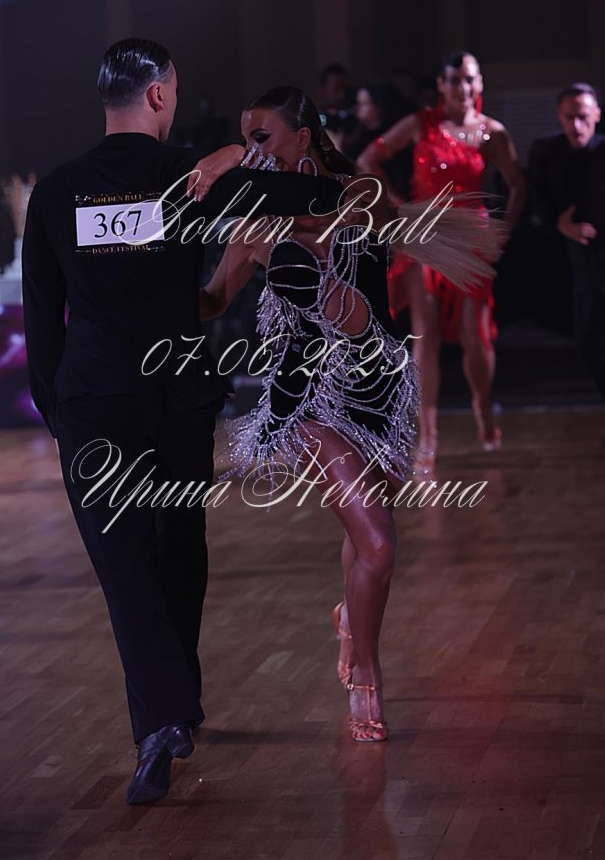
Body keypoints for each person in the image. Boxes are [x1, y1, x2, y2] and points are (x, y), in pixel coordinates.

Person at [21, 39, 347, 805]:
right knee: (177, 550)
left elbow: (41, 319)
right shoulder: (194, 178)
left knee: (126, 564)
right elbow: (318, 196)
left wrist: (59, 413)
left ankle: (164, 716)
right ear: (160, 95)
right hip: (177, 399)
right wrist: (240, 154)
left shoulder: (57, 192)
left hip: (95, 403)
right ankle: (172, 711)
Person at [198, 86, 501, 743]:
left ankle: (350, 619)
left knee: (367, 542)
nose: (253, 150)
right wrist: (154, 288)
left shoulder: (358, 193)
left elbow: (345, 217)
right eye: (245, 139)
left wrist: (229, 160)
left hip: (380, 390)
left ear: (303, 137)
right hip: (307, 397)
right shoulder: (252, 224)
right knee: (379, 543)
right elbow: (213, 300)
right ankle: (366, 669)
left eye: (262, 137)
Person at [358, 51, 526, 472]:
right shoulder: (421, 123)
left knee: (475, 336)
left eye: (469, 79)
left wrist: (502, 235)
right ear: (441, 85)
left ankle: (482, 405)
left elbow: (518, 186)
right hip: (426, 238)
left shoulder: (492, 132)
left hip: (471, 241)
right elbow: (367, 160)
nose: (462, 88)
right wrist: (399, 206)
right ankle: (428, 433)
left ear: (479, 83)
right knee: (425, 336)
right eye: (454, 80)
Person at [528, 83, 605, 413]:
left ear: (597, 115)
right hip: (580, 262)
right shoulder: (547, 152)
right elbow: (537, 200)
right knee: (590, 347)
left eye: (583, 117)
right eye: (569, 117)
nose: (577, 125)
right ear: (559, 117)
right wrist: (560, 225)